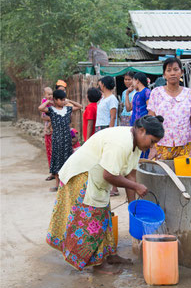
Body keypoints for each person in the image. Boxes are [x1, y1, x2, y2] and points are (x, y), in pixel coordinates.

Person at [46, 115, 165, 272]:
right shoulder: (122, 143)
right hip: (82, 175)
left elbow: (130, 174)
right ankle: (98, 264)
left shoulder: (136, 145)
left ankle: (109, 255)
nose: (152, 146)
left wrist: (133, 208)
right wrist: (136, 186)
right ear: (142, 131)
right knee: (92, 221)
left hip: (96, 178)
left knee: (104, 216)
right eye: (152, 141)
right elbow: (109, 175)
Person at [148, 57, 191, 160]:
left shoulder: (190, 94)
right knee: (161, 175)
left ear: (182, 72)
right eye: (169, 70)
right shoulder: (156, 93)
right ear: (164, 74)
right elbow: (151, 121)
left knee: (183, 175)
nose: (172, 73)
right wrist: (152, 147)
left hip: (185, 147)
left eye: (176, 69)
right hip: (161, 147)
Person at [38, 90, 82, 192]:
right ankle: (58, 185)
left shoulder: (67, 109)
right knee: (57, 161)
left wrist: (69, 100)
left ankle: (67, 184)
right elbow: (40, 108)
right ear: (55, 100)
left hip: (67, 140)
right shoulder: (51, 110)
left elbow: (79, 106)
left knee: (67, 161)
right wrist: (49, 102)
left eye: (63, 99)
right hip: (57, 139)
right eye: (61, 100)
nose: (63, 101)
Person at [125, 72, 151, 159]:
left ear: (137, 81)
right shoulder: (136, 94)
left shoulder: (147, 92)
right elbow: (129, 108)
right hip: (134, 124)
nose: (132, 84)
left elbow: (150, 109)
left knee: (143, 146)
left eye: (133, 81)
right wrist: (127, 94)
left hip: (143, 125)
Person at [41, 87, 54, 181]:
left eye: (51, 94)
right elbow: (43, 116)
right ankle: (52, 172)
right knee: (49, 150)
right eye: (48, 94)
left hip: (55, 129)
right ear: (45, 95)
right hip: (49, 130)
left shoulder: (54, 102)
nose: (50, 96)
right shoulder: (45, 102)